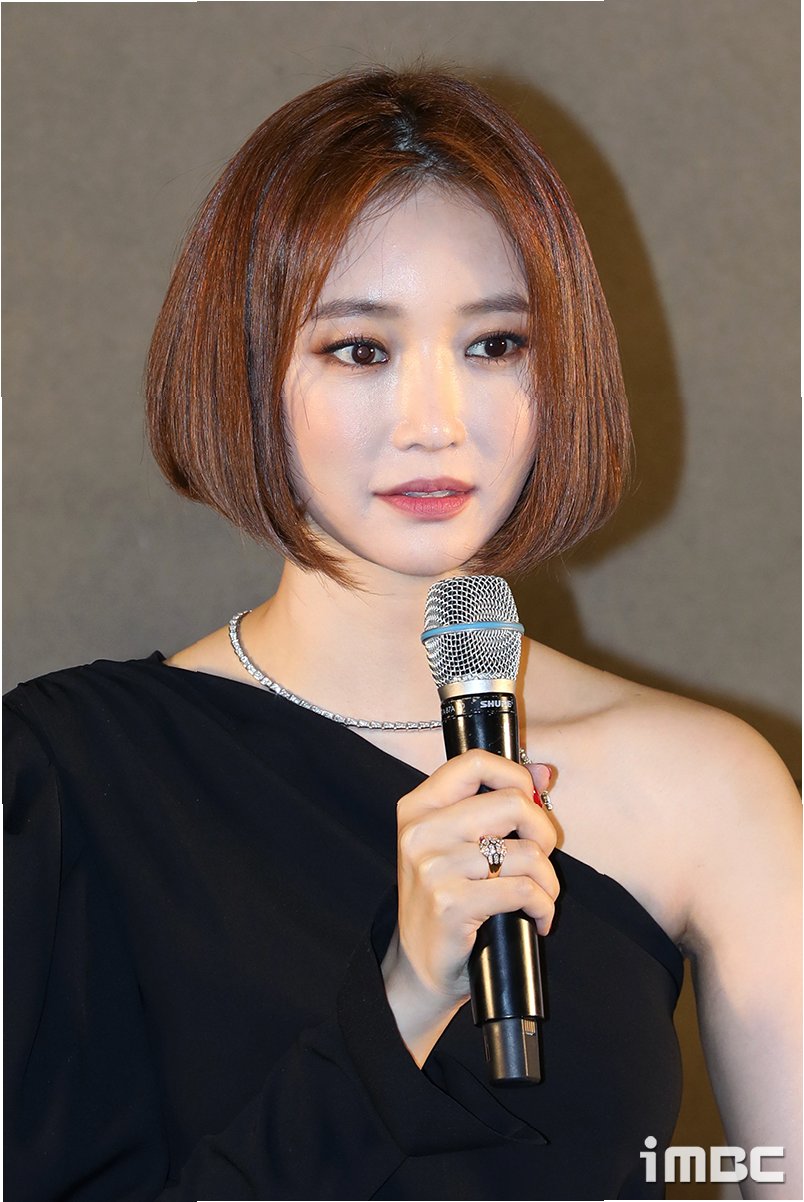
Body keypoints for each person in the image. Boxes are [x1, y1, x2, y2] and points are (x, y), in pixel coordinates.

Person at [4, 67, 800, 1202]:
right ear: (247, 369)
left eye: (496, 344)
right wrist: (401, 1001)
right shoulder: (70, 776)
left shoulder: (713, 786)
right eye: (360, 350)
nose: (436, 423)